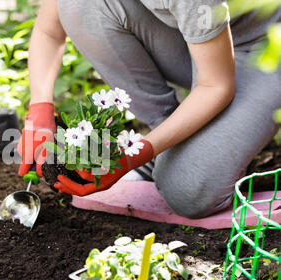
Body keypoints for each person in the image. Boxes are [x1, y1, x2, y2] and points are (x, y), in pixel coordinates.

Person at [17, 0, 281, 219]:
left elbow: (216, 86)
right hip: (199, 41)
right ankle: (172, 144)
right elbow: (49, 30)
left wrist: (133, 157)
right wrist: (39, 109)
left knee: (188, 192)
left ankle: (189, 154)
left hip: (265, 46)